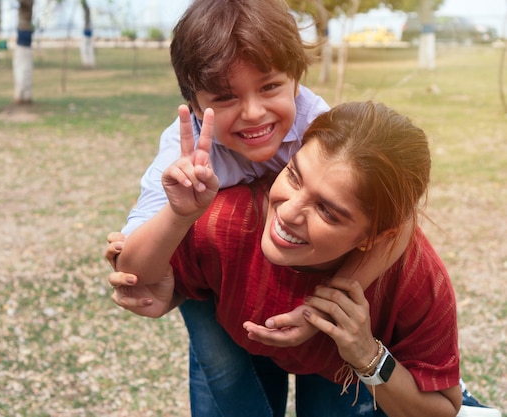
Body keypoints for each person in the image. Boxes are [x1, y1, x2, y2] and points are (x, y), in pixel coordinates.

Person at [105, 0, 500, 416]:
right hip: (223, 276)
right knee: (226, 375)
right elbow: (134, 271)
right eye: (224, 96)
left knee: (333, 391)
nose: (253, 111)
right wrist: (180, 216)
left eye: (270, 87)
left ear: (295, 80)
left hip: (323, 292)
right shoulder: (187, 165)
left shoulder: (321, 132)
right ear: (193, 99)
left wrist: (327, 309)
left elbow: (396, 219)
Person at [115, 101, 463, 416]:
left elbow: (442, 409)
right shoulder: (224, 224)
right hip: (245, 348)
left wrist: (367, 356)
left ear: (374, 238)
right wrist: (163, 285)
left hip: (345, 369)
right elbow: (141, 275)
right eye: (293, 175)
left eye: (327, 211)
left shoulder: (415, 280)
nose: (288, 211)